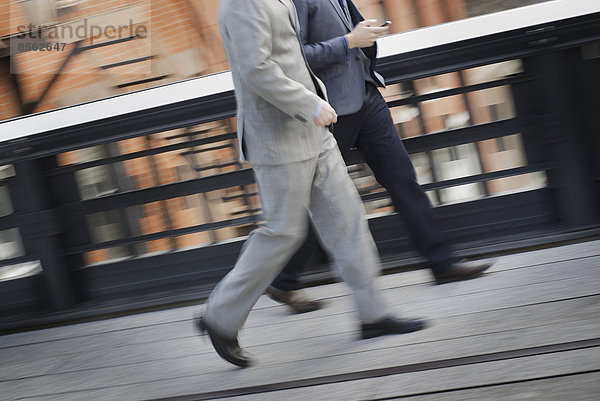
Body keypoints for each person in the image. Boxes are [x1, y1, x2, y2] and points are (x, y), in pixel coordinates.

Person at [196, 0, 426, 368]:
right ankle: (219, 316)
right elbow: (256, 67)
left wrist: (316, 99)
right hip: (278, 138)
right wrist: (310, 103)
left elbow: (292, 53)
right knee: (282, 233)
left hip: (315, 133)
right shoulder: (240, 4)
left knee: (349, 221)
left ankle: (373, 315)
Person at [266, 0, 494, 313]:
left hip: (366, 94)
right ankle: (285, 279)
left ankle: (443, 262)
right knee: (319, 194)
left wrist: (366, 36)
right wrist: (349, 41)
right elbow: (296, 57)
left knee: (402, 177)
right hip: (333, 109)